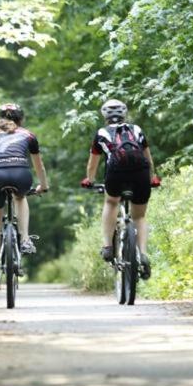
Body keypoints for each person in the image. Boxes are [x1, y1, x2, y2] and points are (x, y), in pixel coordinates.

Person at [0, 103, 50, 290]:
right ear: (21, 119)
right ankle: (25, 239)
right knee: (20, 197)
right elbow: (39, 166)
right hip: (20, 175)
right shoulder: (28, 135)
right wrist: (43, 185)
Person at [81, 99, 161, 279]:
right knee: (139, 216)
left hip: (115, 174)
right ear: (124, 113)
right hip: (141, 174)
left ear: (104, 115)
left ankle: (108, 246)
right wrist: (152, 178)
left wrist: (89, 180)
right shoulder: (137, 129)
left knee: (111, 201)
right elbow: (148, 159)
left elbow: (92, 164)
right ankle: (143, 254)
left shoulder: (101, 133)